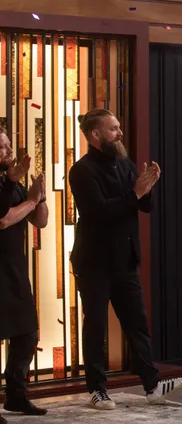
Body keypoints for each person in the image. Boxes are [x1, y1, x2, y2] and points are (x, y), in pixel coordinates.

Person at [69, 109, 182, 410]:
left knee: (137, 323)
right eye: (113, 129)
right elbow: (98, 212)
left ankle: (152, 385)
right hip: (94, 262)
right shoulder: (81, 171)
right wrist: (136, 192)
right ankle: (97, 388)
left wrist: (147, 189)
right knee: (95, 326)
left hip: (125, 259)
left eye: (119, 127)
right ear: (95, 135)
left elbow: (143, 206)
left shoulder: (124, 163)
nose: (120, 133)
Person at [0, 130, 49, 418]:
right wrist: (29, 200)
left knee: (27, 333)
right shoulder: (7, 183)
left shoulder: (13, 182)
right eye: (2, 147)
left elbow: (40, 222)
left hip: (14, 270)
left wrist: (39, 197)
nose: (8, 150)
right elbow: (4, 219)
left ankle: (16, 395)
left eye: (8, 145)